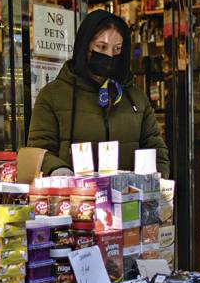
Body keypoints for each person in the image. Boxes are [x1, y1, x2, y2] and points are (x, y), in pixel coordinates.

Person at [27, 9, 170, 177]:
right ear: (85, 45)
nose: (109, 55)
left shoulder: (136, 98)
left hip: (129, 198)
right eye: (101, 47)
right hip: (76, 199)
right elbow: (39, 150)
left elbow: (155, 146)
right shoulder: (52, 96)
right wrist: (59, 170)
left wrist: (159, 182)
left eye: (117, 49)